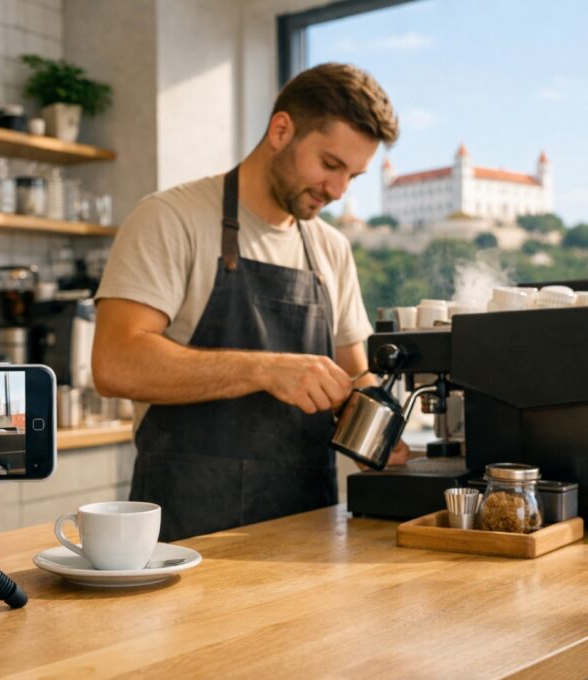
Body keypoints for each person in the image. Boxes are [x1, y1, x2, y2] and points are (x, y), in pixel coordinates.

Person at [92, 62, 409, 542]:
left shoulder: (331, 248)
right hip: (187, 534)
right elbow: (115, 364)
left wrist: (380, 425)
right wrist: (265, 370)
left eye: (354, 176)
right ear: (281, 129)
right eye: (329, 164)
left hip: (308, 531)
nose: (338, 191)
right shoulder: (170, 218)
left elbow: (353, 374)